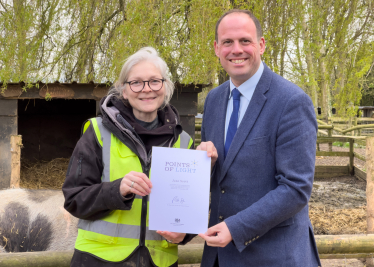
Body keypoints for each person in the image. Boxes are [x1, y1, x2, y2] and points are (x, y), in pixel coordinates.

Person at [196, 9, 321, 267]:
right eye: (228, 42)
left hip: (273, 256)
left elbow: (295, 189)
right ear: (216, 48)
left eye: (245, 41)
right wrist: (204, 167)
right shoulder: (214, 100)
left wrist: (236, 227)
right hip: (219, 257)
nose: (236, 49)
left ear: (261, 45)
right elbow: (219, 182)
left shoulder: (291, 102)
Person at [62, 47, 195, 267]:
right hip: (99, 260)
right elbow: (74, 199)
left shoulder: (184, 142)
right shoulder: (97, 132)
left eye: (154, 81)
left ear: (165, 87)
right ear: (124, 90)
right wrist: (118, 190)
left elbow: (190, 210)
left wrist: (185, 234)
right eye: (136, 82)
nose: (146, 89)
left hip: (159, 261)